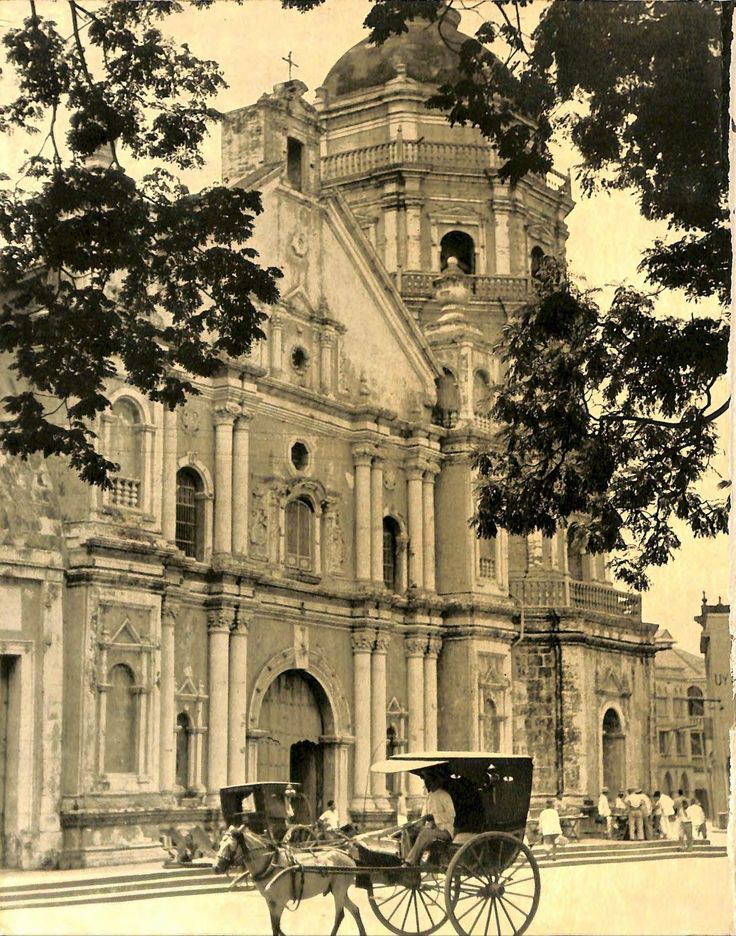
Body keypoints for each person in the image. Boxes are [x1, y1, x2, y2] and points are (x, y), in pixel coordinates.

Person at [403, 771, 455, 864]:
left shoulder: (444, 795)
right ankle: (408, 859)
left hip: (445, 831)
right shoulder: (429, 796)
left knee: (425, 833)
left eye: (430, 781)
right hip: (431, 829)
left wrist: (434, 817)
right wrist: (417, 824)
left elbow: (451, 815)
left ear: (436, 781)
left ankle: (410, 861)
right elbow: (424, 816)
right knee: (407, 832)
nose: (428, 784)